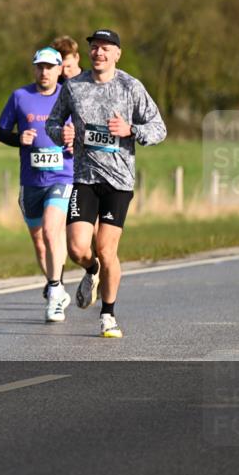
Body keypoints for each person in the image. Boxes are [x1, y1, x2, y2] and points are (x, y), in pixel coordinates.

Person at [46, 29, 166, 338]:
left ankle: (108, 315)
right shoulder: (73, 87)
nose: (99, 53)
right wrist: (63, 135)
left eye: (105, 48)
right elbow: (53, 123)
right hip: (84, 177)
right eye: (94, 48)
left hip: (118, 181)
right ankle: (91, 270)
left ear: (117, 54)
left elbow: (158, 128)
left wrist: (131, 130)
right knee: (77, 248)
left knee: (106, 248)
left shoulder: (130, 87)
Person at [0, 47, 75, 322]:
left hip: (61, 176)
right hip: (31, 180)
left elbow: (86, 131)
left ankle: (54, 294)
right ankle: (58, 285)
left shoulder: (70, 96)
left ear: (58, 70)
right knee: (40, 242)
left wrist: (74, 137)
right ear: (35, 69)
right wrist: (19, 139)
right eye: (40, 67)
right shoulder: (20, 96)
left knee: (53, 231)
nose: (44, 72)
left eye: (50, 67)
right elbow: (1, 131)